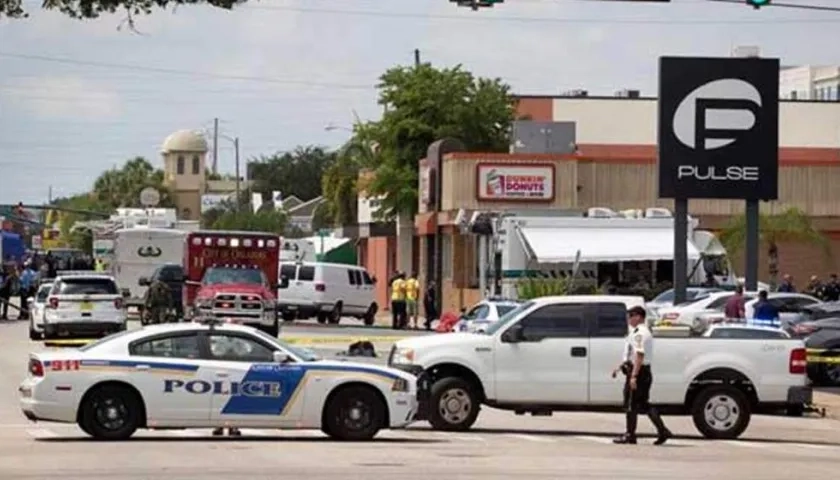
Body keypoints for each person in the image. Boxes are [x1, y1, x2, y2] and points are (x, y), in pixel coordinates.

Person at [612, 306, 671, 445]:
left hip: (639, 372)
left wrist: (633, 376)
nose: (629, 319)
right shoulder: (640, 332)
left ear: (638, 316)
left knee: (631, 404)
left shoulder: (640, 333)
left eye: (631, 316)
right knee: (643, 404)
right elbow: (632, 355)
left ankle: (630, 434)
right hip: (642, 371)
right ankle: (662, 431)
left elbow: (639, 355)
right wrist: (620, 368)